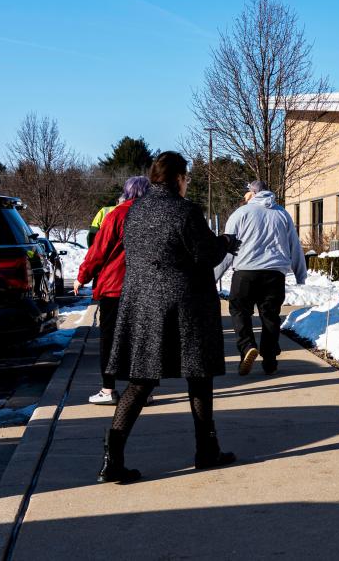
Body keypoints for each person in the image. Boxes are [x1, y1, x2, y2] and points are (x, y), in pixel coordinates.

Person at [98, 152, 240, 483]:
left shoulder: (134, 212)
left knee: (139, 381)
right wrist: (225, 242)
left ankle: (112, 458)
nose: (187, 183)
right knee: (199, 376)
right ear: (178, 177)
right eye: (186, 177)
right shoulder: (186, 211)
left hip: (144, 306)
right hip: (185, 306)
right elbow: (205, 253)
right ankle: (206, 450)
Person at [74, 176, 150, 406]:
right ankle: (142, 390)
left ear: (127, 192)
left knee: (110, 340)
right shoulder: (153, 217)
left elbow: (98, 251)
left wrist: (82, 277)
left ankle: (108, 390)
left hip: (114, 288)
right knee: (141, 340)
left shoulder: (115, 215)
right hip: (145, 289)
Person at [221, 180, 306, 376]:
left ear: (252, 194)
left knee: (239, 310)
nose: (244, 196)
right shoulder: (282, 214)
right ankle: (270, 359)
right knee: (270, 315)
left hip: (245, 272)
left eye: (246, 193)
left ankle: (247, 347)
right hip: (274, 274)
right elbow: (294, 245)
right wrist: (301, 274)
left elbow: (226, 248)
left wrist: (213, 275)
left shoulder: (240, 213)